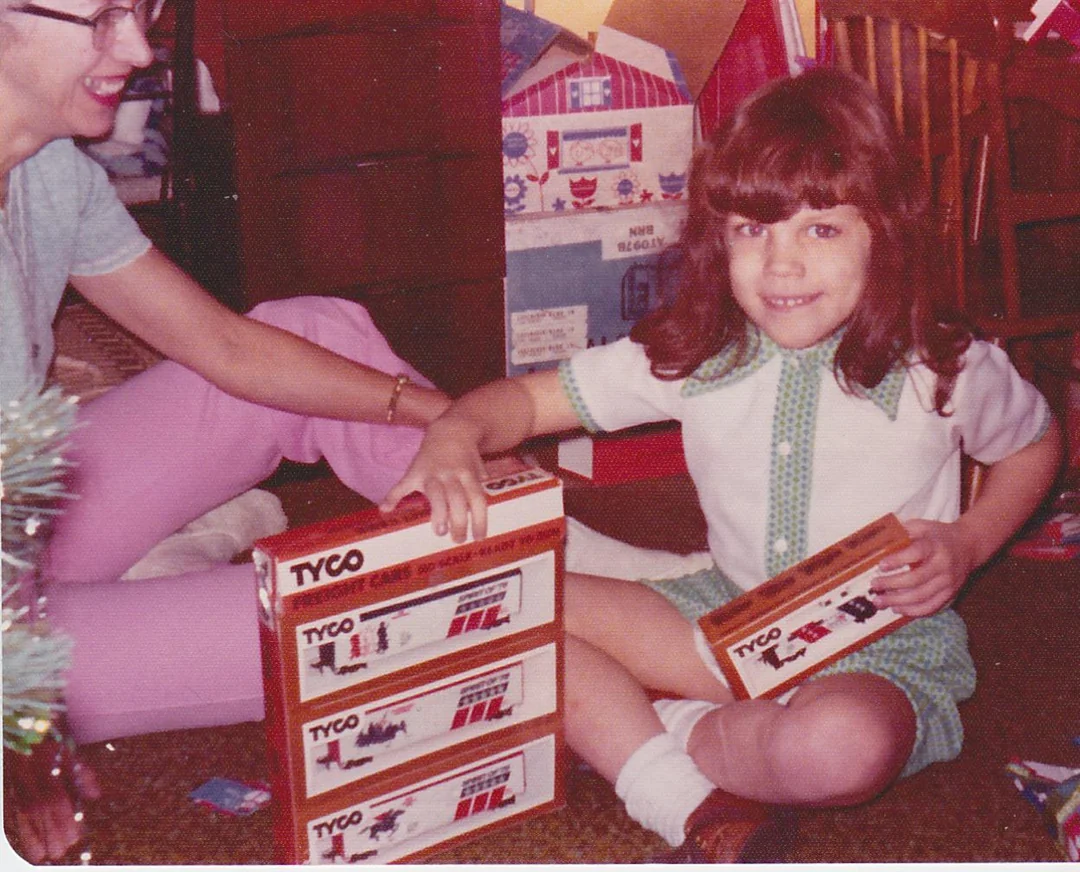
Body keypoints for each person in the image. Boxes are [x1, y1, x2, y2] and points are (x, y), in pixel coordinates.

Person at [382, 66, 1064, 862]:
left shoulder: (942, 367)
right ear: (719, 238)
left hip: (877, 647)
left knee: (837, 749)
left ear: (887, 231)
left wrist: (971, 541)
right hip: (718, 619)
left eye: (821, 229)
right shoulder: (702, 354)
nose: (780, 267)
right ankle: (660, 762)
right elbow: (527, 404)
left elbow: (1035, 443)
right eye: (751, 230)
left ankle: (642, 731)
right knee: (492, 602)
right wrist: (453, 437)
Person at [1, 0, 451, 861]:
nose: (137, 48)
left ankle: (529, 545)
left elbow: (226, 346)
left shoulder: (47, 166)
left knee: (317, 332)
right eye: (100, 19)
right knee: (377, 619)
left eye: (141, 9)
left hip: (25, 512)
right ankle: (563, 607)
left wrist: (454, 419)